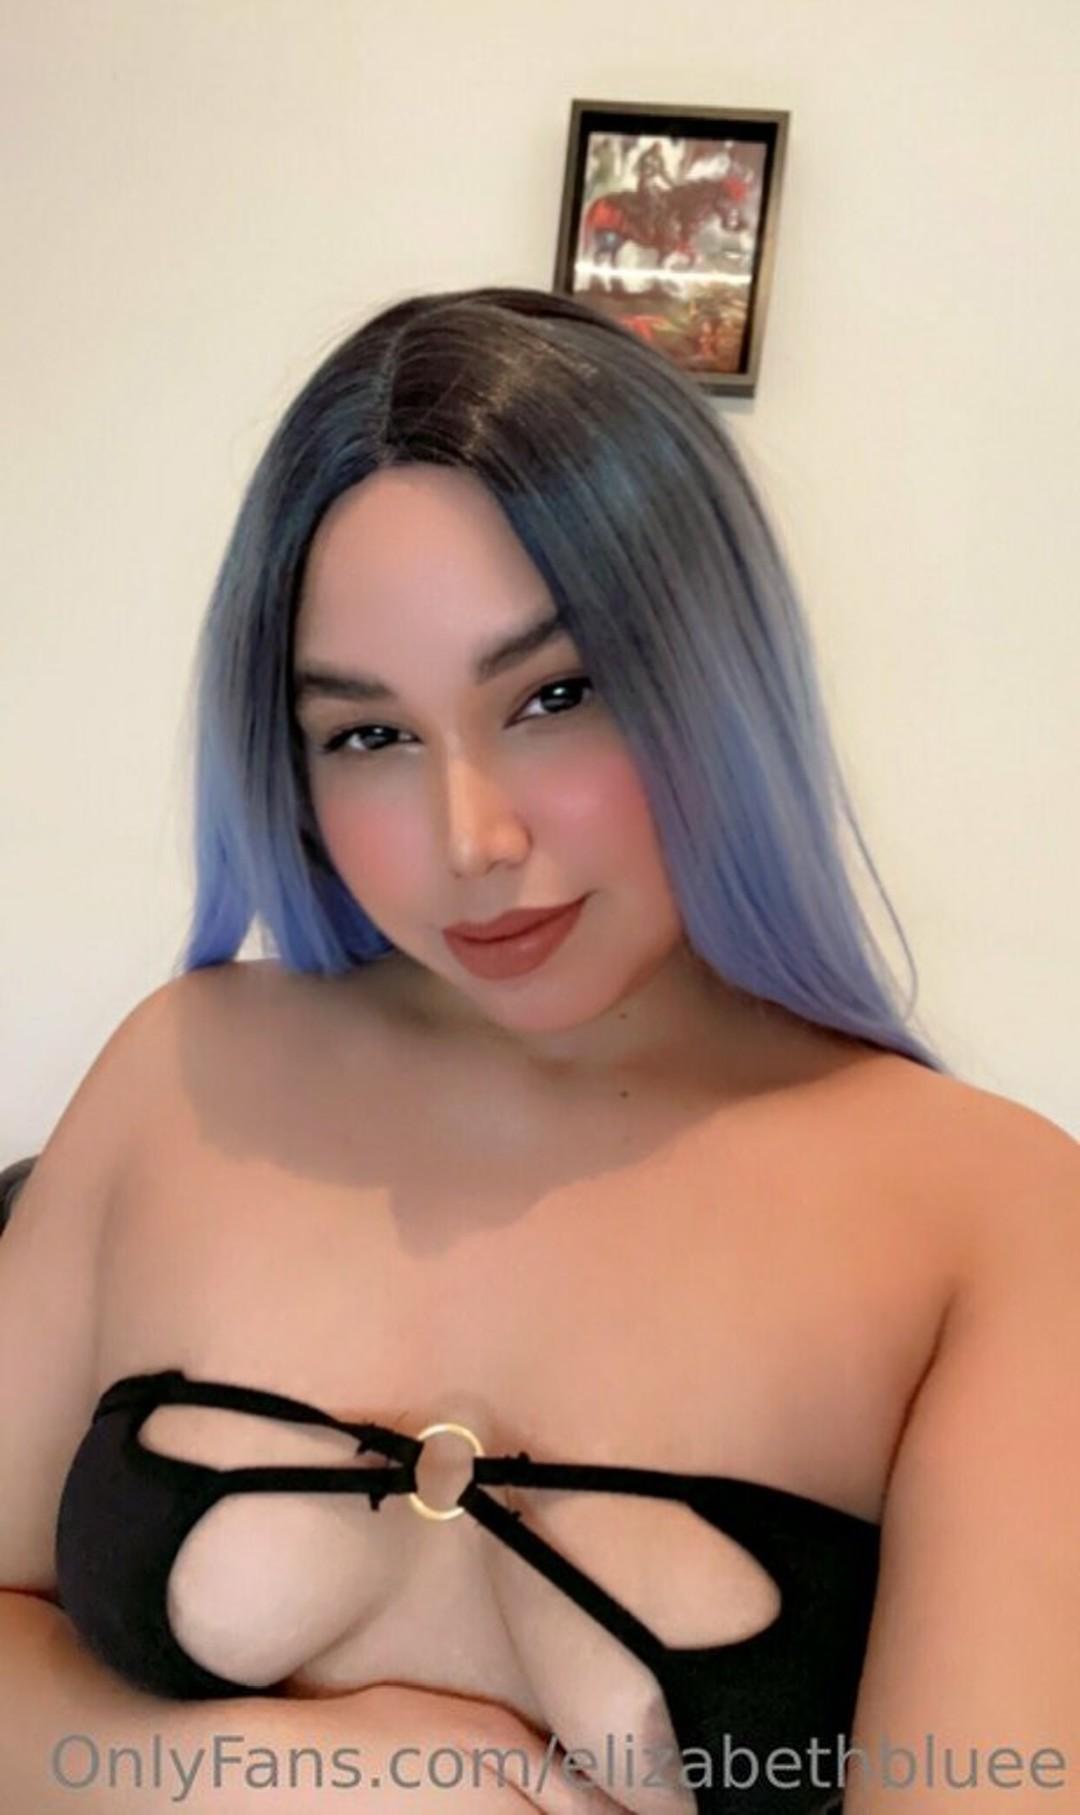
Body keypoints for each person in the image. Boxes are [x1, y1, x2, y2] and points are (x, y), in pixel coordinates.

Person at [1, 286, 1076, 1815]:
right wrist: (284, 1779)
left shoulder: (994, 1215)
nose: (472, 839)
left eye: (557, 695)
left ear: (715, 674)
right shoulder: (185, 1071)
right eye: (369, 734)